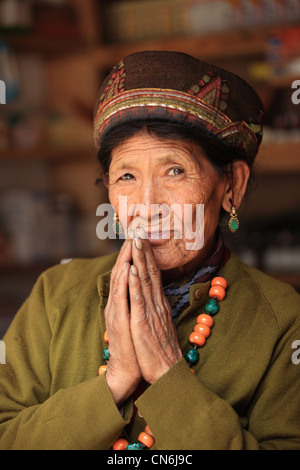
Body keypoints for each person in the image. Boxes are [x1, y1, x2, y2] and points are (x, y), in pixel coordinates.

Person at [0, 51, 299, 450]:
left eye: (175, 170)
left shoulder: (282, 319)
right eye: (126, 176)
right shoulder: (55, 295)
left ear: (232, 186)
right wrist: (115, 380)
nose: (147, 205)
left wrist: (167, 373)